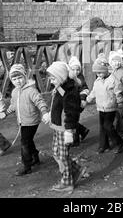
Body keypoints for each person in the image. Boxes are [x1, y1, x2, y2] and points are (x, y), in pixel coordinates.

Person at [44, 61, 87, 192]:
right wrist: (50, 114)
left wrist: (69, 131)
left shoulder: (69, 91)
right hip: (58, 127)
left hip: (65, 129)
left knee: (62, 156)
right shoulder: (60, 88)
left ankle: (67, 182)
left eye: (53, 78)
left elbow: (72, 112)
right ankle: (77, 169)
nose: (51, 81)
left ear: (61, 76)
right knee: (56, 152)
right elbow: (58, 106)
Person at [6, 64, 49, 176]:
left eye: (20, 78)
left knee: (24, 143)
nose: (17, 81)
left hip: (31, 121)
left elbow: (40, 102)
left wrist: (44, 112)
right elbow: (13, 103)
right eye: (14, 79)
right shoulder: (15, 91)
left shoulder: (31, 90)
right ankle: (35, 157)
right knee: (28, 141)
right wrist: (8, 111)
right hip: (22, 121)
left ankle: (26, 165)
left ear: (25, 77)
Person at [86, 53, 123, 154]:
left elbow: (119, 92)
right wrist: (88, 99)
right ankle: (104, 145)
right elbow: (94, 92)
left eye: (100, 72)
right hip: (100, 107)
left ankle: (119, 142)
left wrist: (120, 103)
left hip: (110, 107)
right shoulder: (97, 81)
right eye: (97, 73)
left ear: (105, 70)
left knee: (108, 126)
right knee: (102, 127)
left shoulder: (113, 80)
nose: (98, 75)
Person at [68, 56, 90, 146]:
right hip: (68, 103)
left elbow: (84, 89)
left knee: (72, 121)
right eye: (73, 69)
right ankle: (83, 130)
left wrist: (83, 99)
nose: (76, 72)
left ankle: (75, 140)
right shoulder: (67, 78)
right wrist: (58, 91)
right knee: (72, 120)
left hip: (78, 103)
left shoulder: (80, 79)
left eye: (78, 70)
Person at [109, 49, 123, 133]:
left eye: (117, 61)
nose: (115, 63)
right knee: (118, 110)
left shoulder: (122, 73)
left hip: (121, 95)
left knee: (120, 110)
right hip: (115, 95)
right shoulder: (112, 72)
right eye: (113, 61)